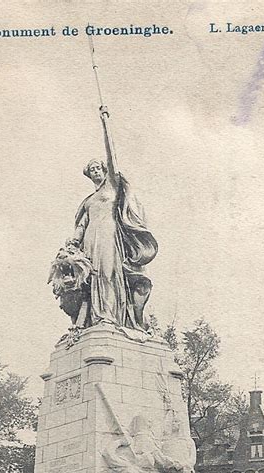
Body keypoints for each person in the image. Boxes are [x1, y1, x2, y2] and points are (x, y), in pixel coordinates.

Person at [67, 106, 158, 330]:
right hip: (90, 238)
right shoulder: (89, 200)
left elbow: (112, 156)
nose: (96, 171)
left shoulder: (113, 187)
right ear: (89, 175)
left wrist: (105, 125)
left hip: (110, 234)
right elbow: (82, 225)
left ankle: (108, 315)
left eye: (99, 167)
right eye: (92, 169)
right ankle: (93, 319)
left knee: (107, 272)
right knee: (90, 278)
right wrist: (74, 241)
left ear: (104, 170)